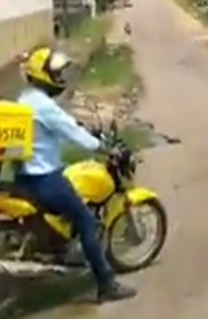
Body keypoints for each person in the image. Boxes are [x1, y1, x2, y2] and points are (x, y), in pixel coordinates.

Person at [15, 46, 137, 304]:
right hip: (44, 178)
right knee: (85, 221)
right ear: (42, 75)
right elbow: (71, 132)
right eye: (56, 73)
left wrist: (80, 128)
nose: (60, 78)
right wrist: (104, 146)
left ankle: (60, 248)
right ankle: (106, 284)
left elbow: (65, 124)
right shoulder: (44, 106)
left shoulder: (25, 99)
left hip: (24, 176)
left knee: (71, 209)